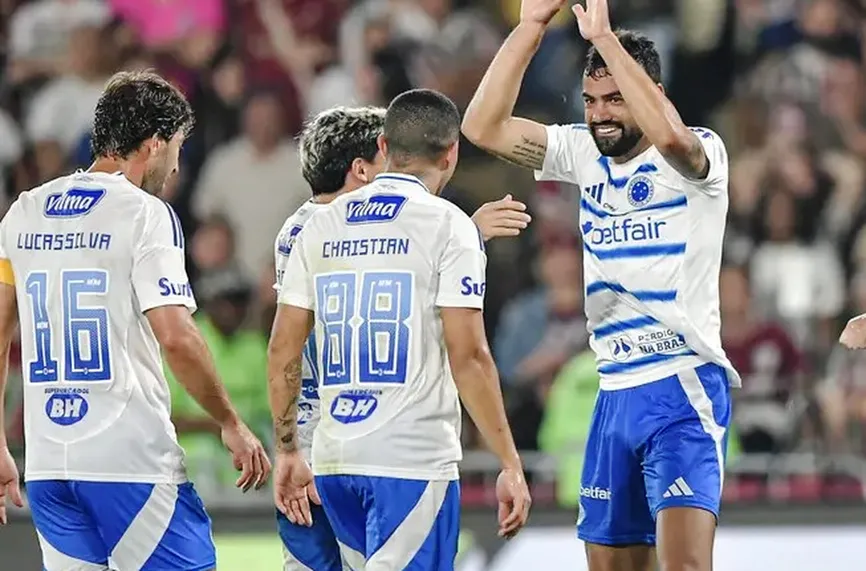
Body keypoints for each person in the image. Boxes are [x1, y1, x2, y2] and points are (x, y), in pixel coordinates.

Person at [461, 1, 740, 570]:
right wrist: (530, 28)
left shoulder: (701, 154)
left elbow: (671, 139)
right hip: (613, 391)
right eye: (590, 101)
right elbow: (482, 127)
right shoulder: (583, 152)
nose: (599, 115)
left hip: (681, 386)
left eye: (615, 99)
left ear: (652, 93)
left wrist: (606, 40)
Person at [0, 70, 271, 570]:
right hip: (129, 463)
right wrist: (230, 422)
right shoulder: (145, 213)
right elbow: (176, 337)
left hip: (49, 466)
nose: (175, 167)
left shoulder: (24, 212)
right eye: (177, 149)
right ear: (154, 144)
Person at [267, 89, 532, 570]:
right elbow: (469, 356)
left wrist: (287, 448)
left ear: (384, 147)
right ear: (451, 154)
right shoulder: (449, 226)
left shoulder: (319, 227)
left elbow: (283, 350)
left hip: (334, 458)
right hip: (409, 460)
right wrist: (509, 462)